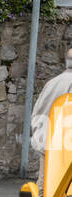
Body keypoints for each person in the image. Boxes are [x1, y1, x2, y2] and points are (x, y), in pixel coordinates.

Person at [31, 44, 72, 183]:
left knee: (45, 185)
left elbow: (38, 111)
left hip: (48, 140)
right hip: (66, 145)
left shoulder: (52, 83)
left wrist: (40, 136)